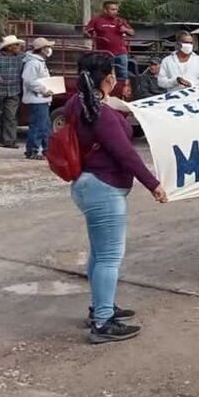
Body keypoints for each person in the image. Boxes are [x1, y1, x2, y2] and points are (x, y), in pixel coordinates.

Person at [67, 52, 167, 343]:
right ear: (109, 78)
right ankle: (102, 323)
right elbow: (126, 154)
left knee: (99, 253)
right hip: (104, 187)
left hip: (87, 184)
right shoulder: (102, 113)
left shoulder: (79, 103)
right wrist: (153, 184)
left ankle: (101, 307)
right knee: (109, 257)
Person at [0, 35, 24, 149]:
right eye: (16, 45)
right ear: (9, 47)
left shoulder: (21, 57)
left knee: (11, 116)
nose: (18, 47)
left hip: (14, 90)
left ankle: (10, 140)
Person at [21, 37, 55, 160]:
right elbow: (29, 81)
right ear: (41, 49)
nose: (49, 50)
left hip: (42, 99)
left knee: (45, 126)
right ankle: (32, 150)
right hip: (37, 99)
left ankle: (46, 149)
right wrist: (44, 90)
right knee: (37, 126)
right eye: (47, 47)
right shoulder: (33, 63)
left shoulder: (39, 61)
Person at [84, 0, 135, 82]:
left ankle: (122, 93)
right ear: (105, 10)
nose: (115, 12)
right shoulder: (96, 20)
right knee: (104, 75)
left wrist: (125, 29)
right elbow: (86, 32)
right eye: (112, 9)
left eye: (116, 9)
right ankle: (104, 92)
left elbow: (132, 32)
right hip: (104, 54)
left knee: (123, 74)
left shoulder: (120, 21)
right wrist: (88, 34)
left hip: (120, 53)